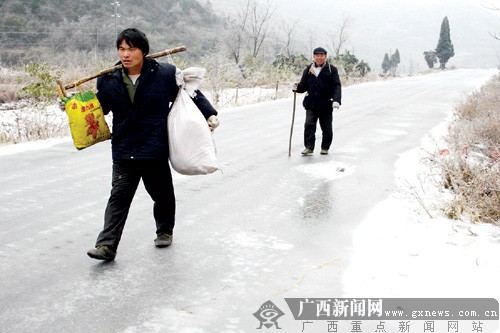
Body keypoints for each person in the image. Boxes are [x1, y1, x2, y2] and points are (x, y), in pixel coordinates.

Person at [85, 28, 219, 260]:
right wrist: (73, 107)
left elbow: (190, 93)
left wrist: (209, 114)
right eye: (121, 49)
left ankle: (165, 230)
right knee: (119, 197)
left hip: (154, 147)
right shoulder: (108, 78)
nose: (125, 54)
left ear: (144, 51)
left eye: (131, 49)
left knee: (162, 194)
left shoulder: (164, 74)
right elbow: (100, 109)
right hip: (124, 148)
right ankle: (107, 245)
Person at [293, 47, 342, 155]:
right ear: (314, 57)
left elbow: (336, 86)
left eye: (321, 55)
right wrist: (297, 88)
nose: (319, 57)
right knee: (309, 125)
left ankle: (325, 147)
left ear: (325, 56)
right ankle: (309, 147)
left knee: (326, 127)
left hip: (326, 103)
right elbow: (303, 86)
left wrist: (336, 99)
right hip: (311, 103)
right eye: (317, 55)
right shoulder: (308, 69)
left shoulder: (331, 69)